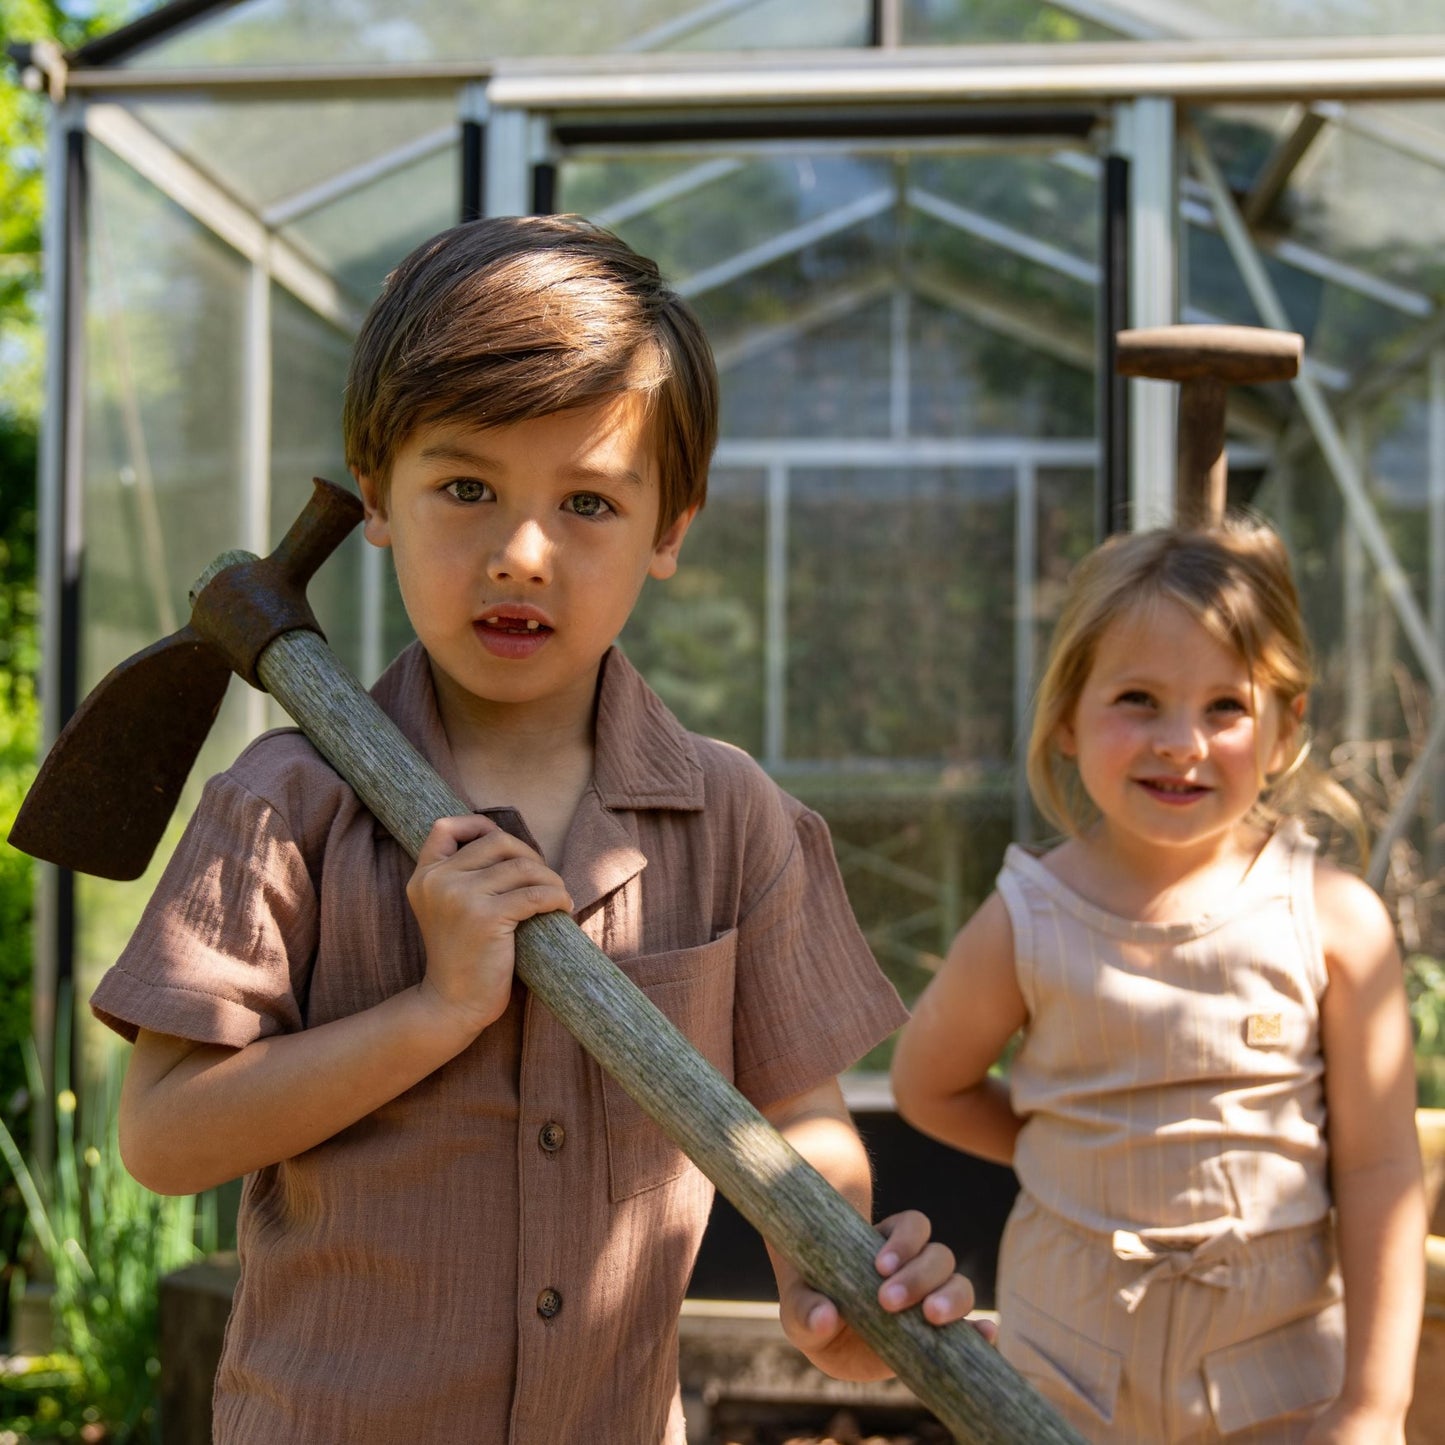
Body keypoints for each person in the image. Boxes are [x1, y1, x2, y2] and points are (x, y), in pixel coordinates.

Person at [94, 215, 976, 1443]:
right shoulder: (283, 805)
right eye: (466, 487)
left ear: (669, 527)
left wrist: (826, 1278)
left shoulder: (736, 822)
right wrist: (432, 1012)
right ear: (375, 495)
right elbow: (164, 1134)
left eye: (587, 502)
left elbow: (800, 1119)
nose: (521, 552)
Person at [892, 518, 1427, 1443]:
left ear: (1283, 724)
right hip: (1061, 1372)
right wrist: (1059, 1151)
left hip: (1280, 1377)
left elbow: (1381, 1169)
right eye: (1137, 698)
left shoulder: (1334, 919)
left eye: (1225, 706)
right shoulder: (1029, 913)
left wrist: (1374, 1406)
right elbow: (925, 1082)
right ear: (1064, 715)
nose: (1180, 741)